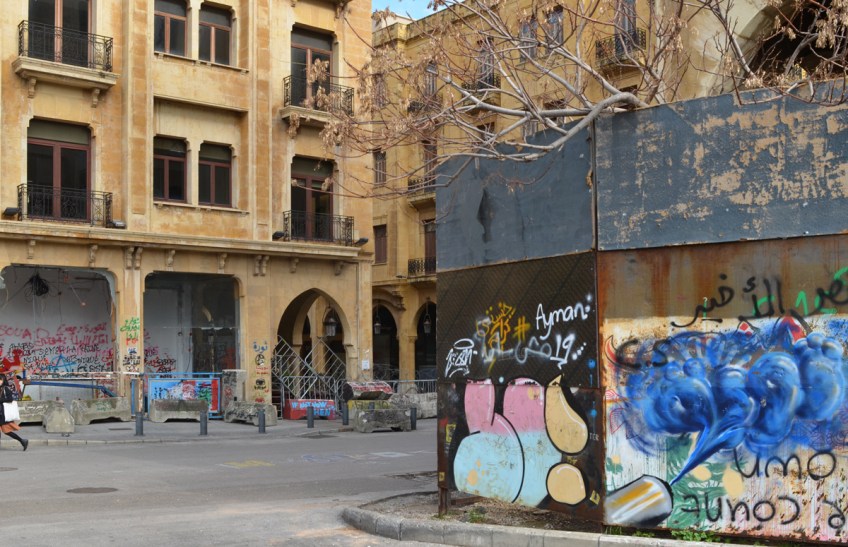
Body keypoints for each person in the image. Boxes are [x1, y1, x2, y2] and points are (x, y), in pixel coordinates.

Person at [0, 375, 27, 451]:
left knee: (7, 431)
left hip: (2, 413)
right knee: (6, 431)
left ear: (3, 380)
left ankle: (22, 441)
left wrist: (0, 400)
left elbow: (10, 399)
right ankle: (22, 441)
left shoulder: (6, 388)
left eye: (0, 380)